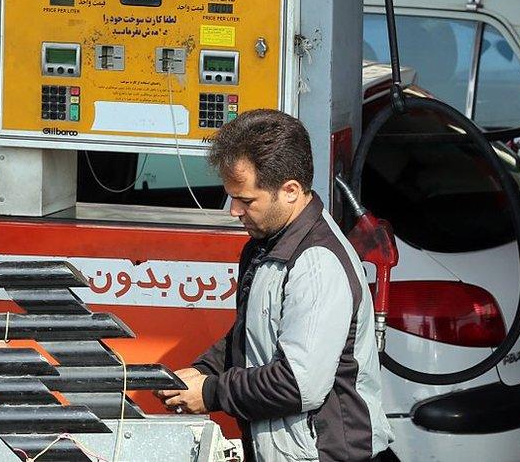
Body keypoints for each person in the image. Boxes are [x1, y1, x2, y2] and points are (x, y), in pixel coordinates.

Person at [157, 110, 393, 462]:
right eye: (232, 197)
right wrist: (205, 370)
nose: (233, 210)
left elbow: (299, 385)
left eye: (246, 200)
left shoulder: (316, 263)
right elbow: (255, 331)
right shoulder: (267, 244)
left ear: (291, 191)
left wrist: (211, 392)